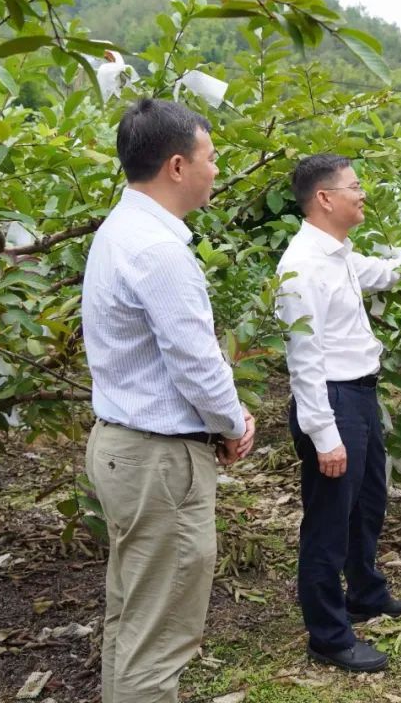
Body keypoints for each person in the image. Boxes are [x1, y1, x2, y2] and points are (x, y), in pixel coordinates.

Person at [82, 98, 256, 703]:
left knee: (132, 614)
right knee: (160, 636)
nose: (217, 169)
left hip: (123, 448)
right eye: (211, 157)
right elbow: (196, 362)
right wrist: (233, 422)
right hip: (159, 461)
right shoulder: (159, 252)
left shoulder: (118, 231)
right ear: (178, 166)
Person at [276, 154, 401, 673]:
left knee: (367, 503)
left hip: (358, 395)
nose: (363, 194)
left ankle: (365, 592)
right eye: (354, 187)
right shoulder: (301, 267)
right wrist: (323, 433)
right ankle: (329, 636)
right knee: (328, 522)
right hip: (331, 401)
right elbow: (303, 359)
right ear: (325, 198)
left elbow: (385, 273)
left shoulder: (338, 255)